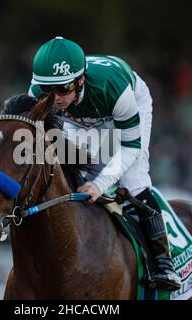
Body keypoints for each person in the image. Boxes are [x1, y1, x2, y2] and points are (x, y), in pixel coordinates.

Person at [28, 36, 181, 291]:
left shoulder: (114, 89)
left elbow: (130, 148)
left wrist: (100, 184)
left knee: (133, 179)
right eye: (48, 91)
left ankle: (163, 261)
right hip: (78, 119)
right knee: (68, 168)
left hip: (118, 107)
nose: (54, 99)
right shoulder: (36, 93)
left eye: (63, 89)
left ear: (80, 80)